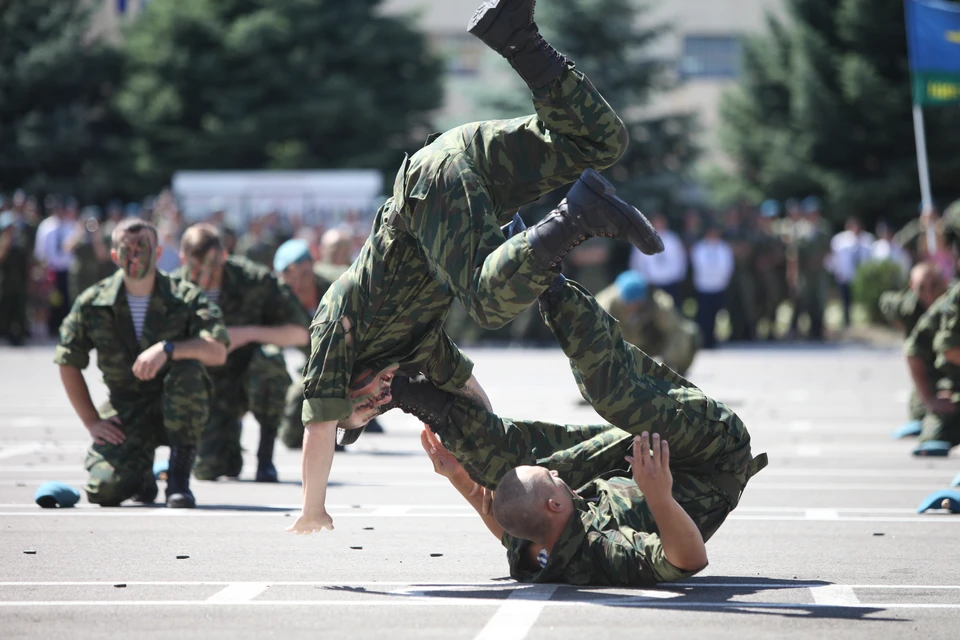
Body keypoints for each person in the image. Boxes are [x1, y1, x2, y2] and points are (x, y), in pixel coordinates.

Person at [286, 0, 664, 535]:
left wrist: (313, 506)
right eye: (372, 415)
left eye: (362, 407)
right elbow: (470, 393)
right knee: (601, 141)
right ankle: (516, 35)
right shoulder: (416, 351)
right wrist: (491, 460)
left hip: (430, 186)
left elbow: (319, 424)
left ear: (347, 384)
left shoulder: (336, 327)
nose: (374, 406)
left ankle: (576, 216)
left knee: (488, 301)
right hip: (469, 165)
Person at [392, 274, 766, 585]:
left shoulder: (541, 547)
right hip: (714, 457)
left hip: (634, 458)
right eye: (552, 479)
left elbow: (509, 527)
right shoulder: (604, 548)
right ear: (554, 504)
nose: (556, 471)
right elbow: (688, 561)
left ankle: (408, 370)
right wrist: (660, 496)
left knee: (498, 468)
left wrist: (460, 477)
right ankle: (551, 285)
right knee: (611, 394)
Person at [53, 219, 229, 507]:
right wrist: (92, 422)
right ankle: (141, 478)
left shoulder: (185, 297)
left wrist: (168, 349)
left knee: (189, 368)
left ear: (158, 253)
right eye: (127, 248)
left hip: (173, 405)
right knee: (105, 491)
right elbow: (67, 360)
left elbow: (218, 350)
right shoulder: (93, 302)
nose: (135, 255)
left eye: (142, 247)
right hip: (126, 411)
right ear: (114, 255)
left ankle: (178, 479)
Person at [175, 223, 312, 482]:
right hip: (202, 387)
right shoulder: (173, 288)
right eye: (196, 270)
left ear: (225, 256)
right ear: (183, 259)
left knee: (269, 360)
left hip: (244, 377)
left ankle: (265, 457)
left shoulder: (254, 280)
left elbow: (300, 333)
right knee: (211, 469)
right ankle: (223, 442)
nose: (204, 279)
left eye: (212, 269)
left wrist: (246, 333)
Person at [881, 263, 947, 438]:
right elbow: (886, 302)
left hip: (949, 365)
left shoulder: (951, 304)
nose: (929, 293)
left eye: (935, 286)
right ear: (911, 287)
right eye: (922, 288)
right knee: (921, 412)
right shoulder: (907, 307)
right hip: (924, 363)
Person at [595, 271, 700, 375]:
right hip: (619, 348)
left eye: (637, 303)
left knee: (690, 332)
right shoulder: (604, 304)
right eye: (629, 303)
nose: (634, 307)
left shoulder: (658, 302)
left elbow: (675, 332)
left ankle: (678, 374)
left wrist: (666, 366)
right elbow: (594, 336)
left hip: (648, 344)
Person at [689, 224, 734, 349]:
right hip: (703, 286)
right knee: (703, 315)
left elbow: (728, 266)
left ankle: (712, 339)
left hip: (718, 286)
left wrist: (722, 279)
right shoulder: (700, 247)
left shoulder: (723, 247)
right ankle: (702, 340)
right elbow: (699, 265)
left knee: (716, 314)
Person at [829, 217, 874, 328]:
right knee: (845, 300)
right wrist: (836, 271)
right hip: (844, 275)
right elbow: (834, 258)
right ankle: (846, 321)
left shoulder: (868, 240)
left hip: (862, 277)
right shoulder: (839, 240)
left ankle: (866, 321)